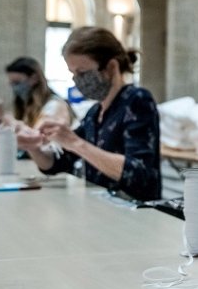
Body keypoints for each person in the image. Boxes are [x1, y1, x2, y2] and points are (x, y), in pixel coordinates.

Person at [22, 27, 162, 201]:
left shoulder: (137, 101)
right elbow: (58, 164)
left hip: (136, 212)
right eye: (73, 73)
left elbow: (138, 173)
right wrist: (33, 146)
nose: (77, 80)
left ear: (111, 67)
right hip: (104, 209)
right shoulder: (94, 113)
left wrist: (74, 142)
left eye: (82, 72)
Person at [0, 58, 73, 149]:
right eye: (11, 83)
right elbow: (9, 131)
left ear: (34, 78)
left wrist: (2, 115)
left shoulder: (54, 105)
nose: (14, 88)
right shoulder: (27, 105)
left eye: (17, 82)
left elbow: (36, 139)